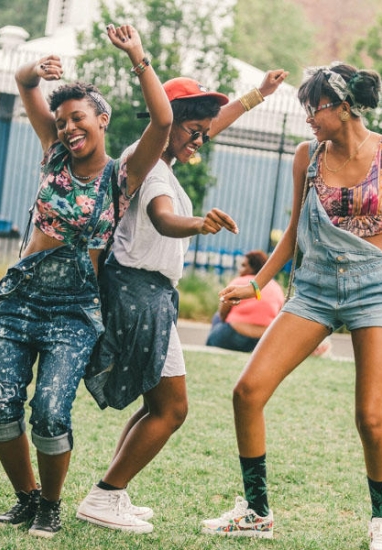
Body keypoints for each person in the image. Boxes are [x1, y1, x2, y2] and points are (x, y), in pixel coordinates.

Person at [201, 62, 382, 549]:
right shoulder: (307, 157)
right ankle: (256, 512)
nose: (307, 118)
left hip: (371, 289)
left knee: (371, 417)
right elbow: (296, 232)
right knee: (247, 391)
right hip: (315, 290)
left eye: (313, 107)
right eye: (304, 108)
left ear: (343, 107)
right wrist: (256, 285)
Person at [0, 24, 172, 539]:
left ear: (102, 120)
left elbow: (163, 119)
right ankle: (26, 498)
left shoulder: (122, 176)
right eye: (62, 121)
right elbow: (23, 85)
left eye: (78, 118)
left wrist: (137, 56)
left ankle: (51, 505)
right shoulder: (53, 155)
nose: (67, 127)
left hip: (73, 310)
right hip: (20, 299)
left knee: (48, 411)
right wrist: (34, 70)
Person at [78, 70, 289, 534]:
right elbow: (163, 217)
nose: (200, 141)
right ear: (168, 122)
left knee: (157, 406)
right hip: (139, 293)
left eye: (202, 135)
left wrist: (258, 95)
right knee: (172, 409)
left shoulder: (162, 159)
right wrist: (199, 224)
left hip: (148, 294)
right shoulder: (149, 164)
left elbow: (209, 124)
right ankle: (105, 495)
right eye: (193, 132)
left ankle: (111, 493)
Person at [206, 250, 285, 352]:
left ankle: (210, 351)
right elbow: (280, 315)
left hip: (234, 333)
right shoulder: (276, 287)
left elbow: (223, 311)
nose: (240, 270)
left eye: (243, 266)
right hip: (262, 340)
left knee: (217, 317)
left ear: (253, 268)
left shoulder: (239, 282)